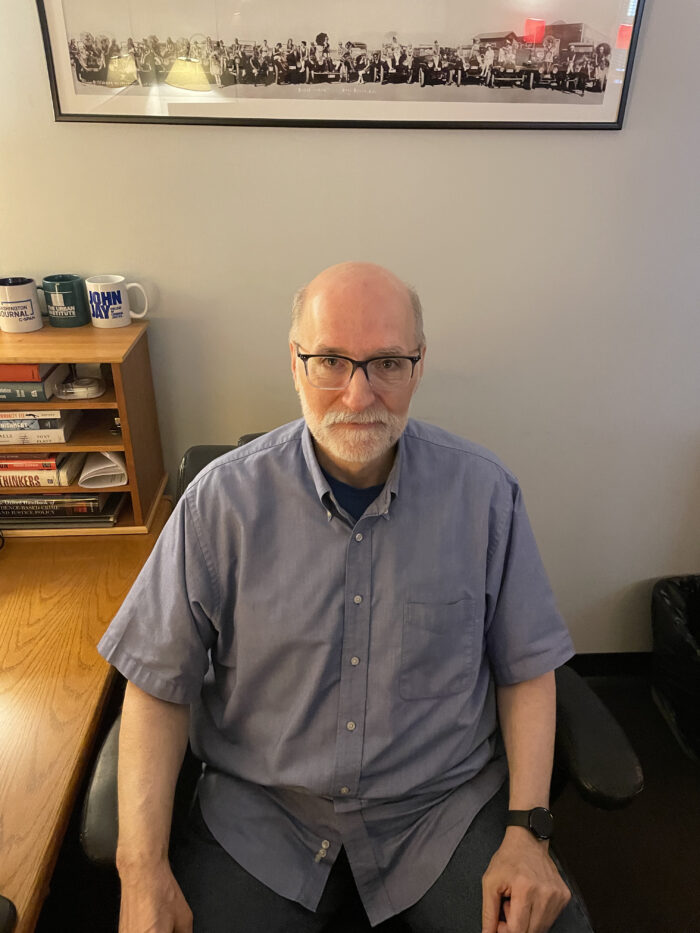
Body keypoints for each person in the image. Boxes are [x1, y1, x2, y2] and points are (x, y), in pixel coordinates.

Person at [101, 262, 593, 933]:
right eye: (331, 360)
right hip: (264, 819)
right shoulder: (220, 503)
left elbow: (527, 668)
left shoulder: (484, 495)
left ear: (419, 365)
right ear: (295, 363)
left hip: (440, 814)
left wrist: (528, 833)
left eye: (387, 362)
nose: (359, 396)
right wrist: (142, 869)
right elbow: (157, 685)